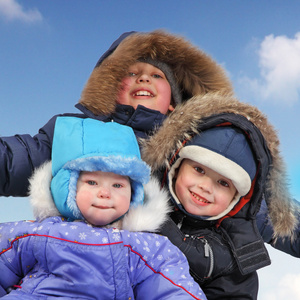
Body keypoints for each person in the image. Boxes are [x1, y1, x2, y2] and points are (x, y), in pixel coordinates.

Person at [0, 29, 233, 197]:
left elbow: (247, 194)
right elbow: (14, 160)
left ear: (173, 102)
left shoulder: (199, 148)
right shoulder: (74, 133)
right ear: (111, 89)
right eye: (131, 74)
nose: (143, 78)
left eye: (157, 76)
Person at [0, 117, 207, 300]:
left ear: (134, 194)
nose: (105, 193)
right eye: (91, 182)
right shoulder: (37, 233)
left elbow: (172, 288)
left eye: (117, 185)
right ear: (67, 187)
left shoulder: (146, 247)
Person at [141, 92, 300, 299]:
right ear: (176, 166)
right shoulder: (140, 203)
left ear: (238, 197)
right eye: (199, 169)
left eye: (223, 182)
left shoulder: (234, 257)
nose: (206, 186)